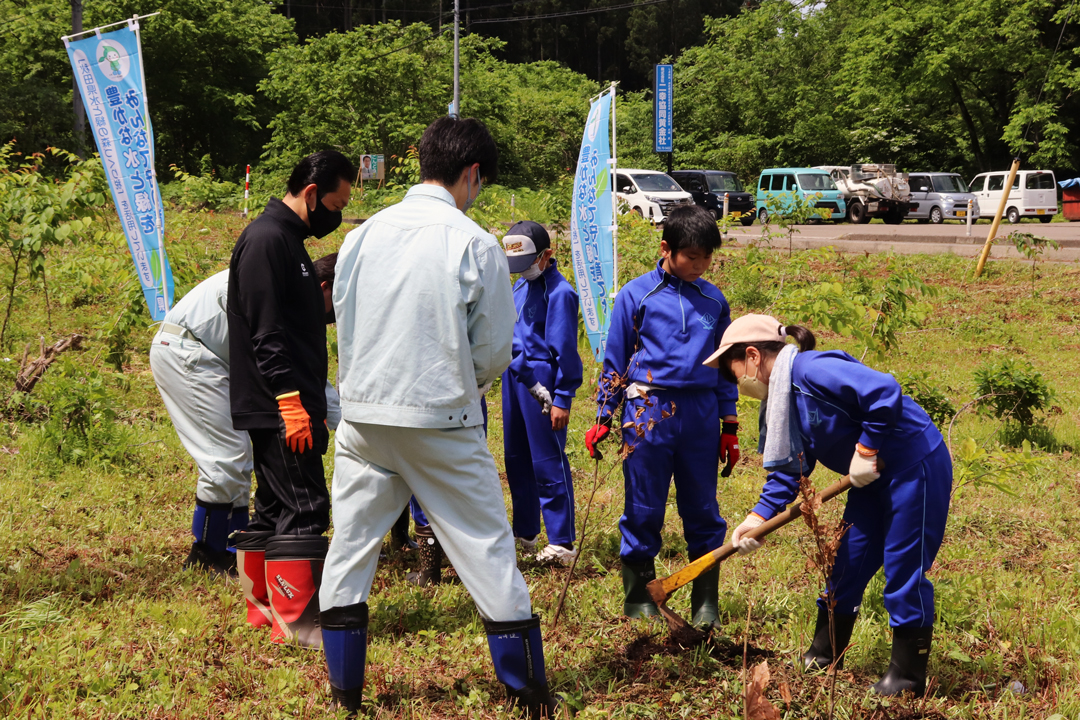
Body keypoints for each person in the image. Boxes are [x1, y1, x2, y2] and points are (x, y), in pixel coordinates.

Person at [319, 116, 556, 718]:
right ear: (472, 173)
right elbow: (495, 349)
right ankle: (526, 695)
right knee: (486, 549)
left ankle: (346, 695)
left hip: (364, 420)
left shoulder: (360, 237)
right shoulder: (473, 241)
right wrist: (460, 382)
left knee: (350, 551)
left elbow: (344, 320)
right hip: (442, 420)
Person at [708, 314, 952, 697]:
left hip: (912, 465)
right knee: (846, 562)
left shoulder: (812, 372)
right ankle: (824, 654)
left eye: (732, 372)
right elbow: (789, 472)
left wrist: (867, 447)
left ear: (752, 356)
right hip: (869, 477)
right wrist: (755, 519)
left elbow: (884, 391)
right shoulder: (781, 403)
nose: (737, 385)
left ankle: (907, 677)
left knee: (904, 566)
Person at [584, 204, 739, 630]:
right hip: (648, 412)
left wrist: (729, 425)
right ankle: (639, 593)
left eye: (707, 257)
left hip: (701, 415)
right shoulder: (637, 295)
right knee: (643, 503)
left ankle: (704, 598)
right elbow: (615, 358)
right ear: (666, 249)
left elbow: (727, 368)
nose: (700, 265)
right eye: (692, 256)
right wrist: (604, 414)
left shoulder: (714, 300)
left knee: (703, 508)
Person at [226, 150, 353, 647]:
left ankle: (265, 613)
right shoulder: (266, 240)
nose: (337, 213)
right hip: (281, 404)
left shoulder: (288, 241)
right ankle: (298, 622)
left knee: (275, 506)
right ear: (310, 194)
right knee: (304, 506)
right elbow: (266, 332)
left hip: (288, 402)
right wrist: (290, 401)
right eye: (336, 202)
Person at [149, 257, 342, 580]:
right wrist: (353, 422)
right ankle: (207, 555)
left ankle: (233, 552)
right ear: (324, 287)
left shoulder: (290, 282)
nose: (330, 320)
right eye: (333, 309)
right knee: (225, 459)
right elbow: (302, 373)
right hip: (190, 351)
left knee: (240, 459)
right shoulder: (286, 293)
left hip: (216, 356)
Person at [500, 220, 582, 565]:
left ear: (547, 255)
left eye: (528, 263)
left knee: (547, 459)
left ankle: (562, 540)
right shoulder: (520, 286)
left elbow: (565, 351)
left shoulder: (559, 293)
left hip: (541, 379)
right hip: (514, 376)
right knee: (516, 457)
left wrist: (561, 397)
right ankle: (526, 532)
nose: (523, 271)